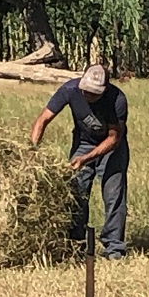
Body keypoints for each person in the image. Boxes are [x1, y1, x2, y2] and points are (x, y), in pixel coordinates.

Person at [30, 64, 129, 260]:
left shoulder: (117, 100)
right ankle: (76, 245)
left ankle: (114, 248)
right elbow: (43, 120)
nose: (88, 96)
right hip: (83, 143)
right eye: (86, 91)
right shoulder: (69, 90)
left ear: (105, 89)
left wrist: (86, 158)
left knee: (114, 195)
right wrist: (30, 151)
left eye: (94, 94)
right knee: (76, 192)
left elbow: (114, 138)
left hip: (111, 149)